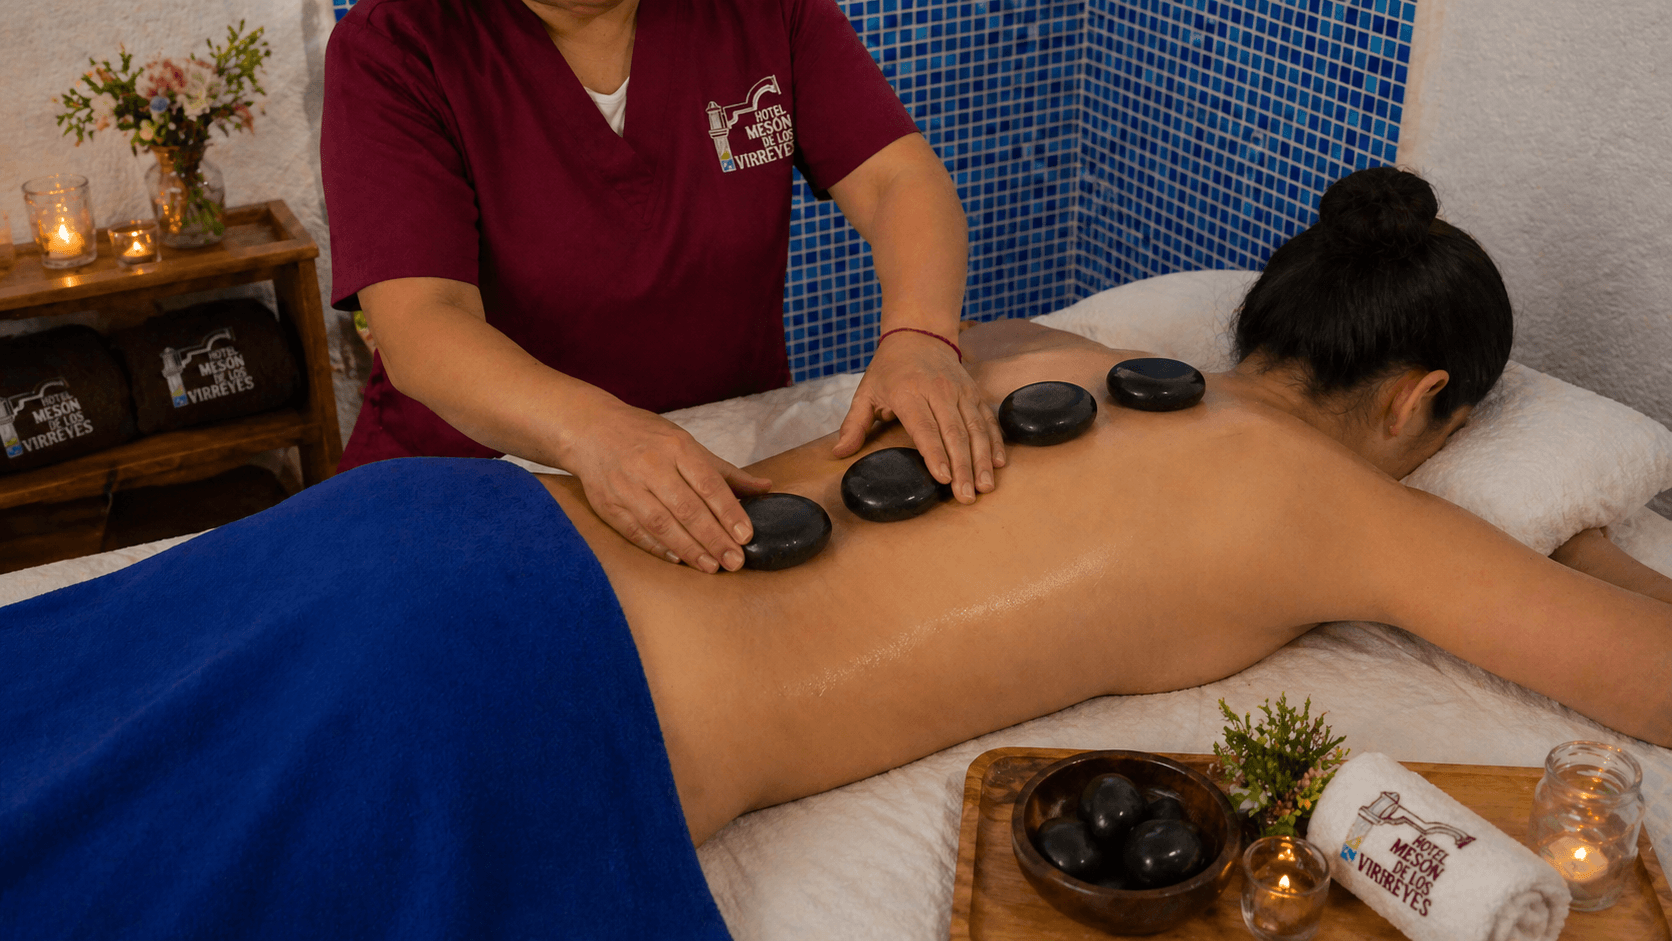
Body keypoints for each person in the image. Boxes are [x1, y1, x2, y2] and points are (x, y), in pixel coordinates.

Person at [4, 169, 1670, 938]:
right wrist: (1565, 531)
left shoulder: (1038, 355)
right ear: (1423, 404)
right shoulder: (1347, 509)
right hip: (517, 700)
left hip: (443, 525)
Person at [321, 0, 1005, 578]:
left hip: (730, 458)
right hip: (474, 486)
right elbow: (421, 322)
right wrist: (593, 433)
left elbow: (896, 180)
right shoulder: (395, 46)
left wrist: (920, 333)